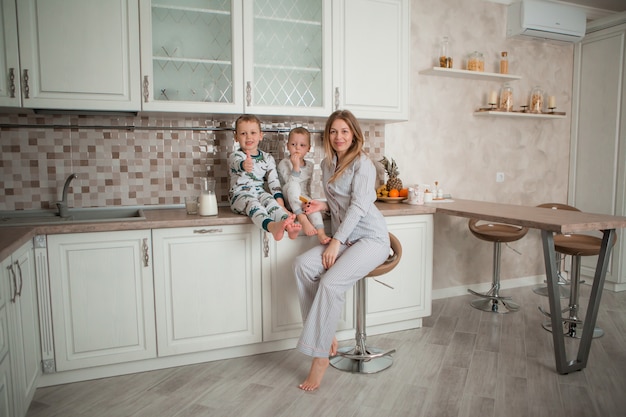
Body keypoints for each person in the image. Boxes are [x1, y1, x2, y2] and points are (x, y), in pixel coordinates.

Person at [293, 110, 390, 391]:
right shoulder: (327, 164)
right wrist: (322, 205)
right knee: (302, 265)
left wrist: (335, 241)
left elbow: (359, 206)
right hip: (347, 238)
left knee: (331, 282)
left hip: (371, 239)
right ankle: (325, 333)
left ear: (354, 134)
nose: (338, 137)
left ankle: (319, 357)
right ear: (328, 135)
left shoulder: (363, 163)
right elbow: (341, 201)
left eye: (344, 131)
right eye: (333, 131)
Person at [228, 114, 301, 241]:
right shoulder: (236, 156)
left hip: (259, 193)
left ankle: (288, 226)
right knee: (253, 203)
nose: (249, 137)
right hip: (239, 196)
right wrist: (244, 165)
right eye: (243, 133)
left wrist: (281, 206)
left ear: (261, 135)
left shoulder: (268, 158)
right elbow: (236, 164)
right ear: (236, 137)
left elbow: (274, 183)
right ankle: (272, 227)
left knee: (270, 201)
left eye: (253, 133)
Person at [278, 127, 331, 245]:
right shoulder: (284, 163)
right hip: (288, 199)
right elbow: (290, 184)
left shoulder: (310, 166)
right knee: (293, 185)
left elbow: (306, 188)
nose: (297, 148)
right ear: (287, 146)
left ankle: (321, 233)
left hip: (301, 198)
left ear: (308, 148)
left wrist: (307, 203)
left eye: (302, 145)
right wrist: (295, 167)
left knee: (313, 205)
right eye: (293, 144)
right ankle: (302, 219)